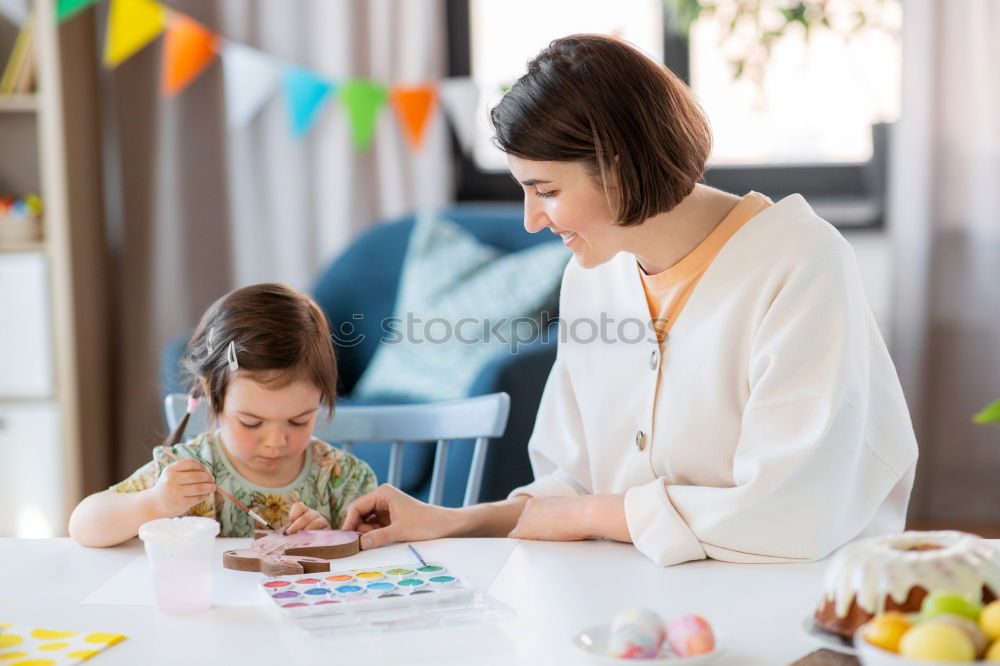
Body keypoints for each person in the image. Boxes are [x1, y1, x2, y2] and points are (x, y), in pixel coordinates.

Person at [341, 34, 918, 566]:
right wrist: (451, 521)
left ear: (618, 169)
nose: (531, 219)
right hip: (633, 600)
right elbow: (570, 484)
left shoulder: (800, 263)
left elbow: (790, 505)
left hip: (793, 599)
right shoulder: (592, 277)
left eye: (546, 191)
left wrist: (592, 513)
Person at [69, 283, 376, 547]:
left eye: (299, 420)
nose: (275, 440)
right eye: (251, 422)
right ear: (212, 396)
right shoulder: (187, 472)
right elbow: (82, 525)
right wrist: (154, 503)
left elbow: (379, 555)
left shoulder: (343, 480)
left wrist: (331, 541)